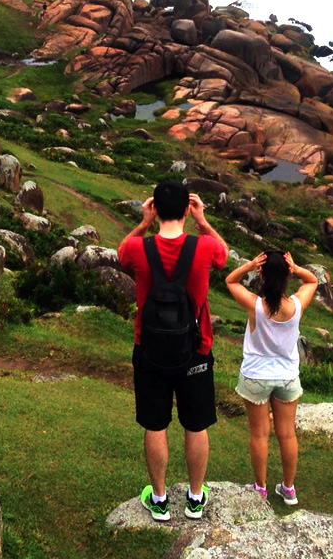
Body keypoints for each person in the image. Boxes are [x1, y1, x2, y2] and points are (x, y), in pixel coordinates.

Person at [118, 180, 228, 522]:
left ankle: (161, 500)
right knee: (195, 426)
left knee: (156, 424)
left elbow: (122, 251)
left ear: (155, 208)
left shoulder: (139, 249)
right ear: (185, 210)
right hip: (196, 349)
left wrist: (143, 222)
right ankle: (196, 498)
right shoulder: (205, 247)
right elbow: (224, 255)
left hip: (149, 349)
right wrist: (204, 221)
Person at [223, 250, 319, 505]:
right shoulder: (296, 306)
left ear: (262, 275)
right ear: (286, 275)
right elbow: (313, 281)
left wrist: (249, 265)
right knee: (287, 434)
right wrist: (296, 268)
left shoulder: (255, 304)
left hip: (256, 376)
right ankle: (288, 489)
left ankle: (260, 487)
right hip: (287, 377)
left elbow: (230, 281)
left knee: (259, 434)